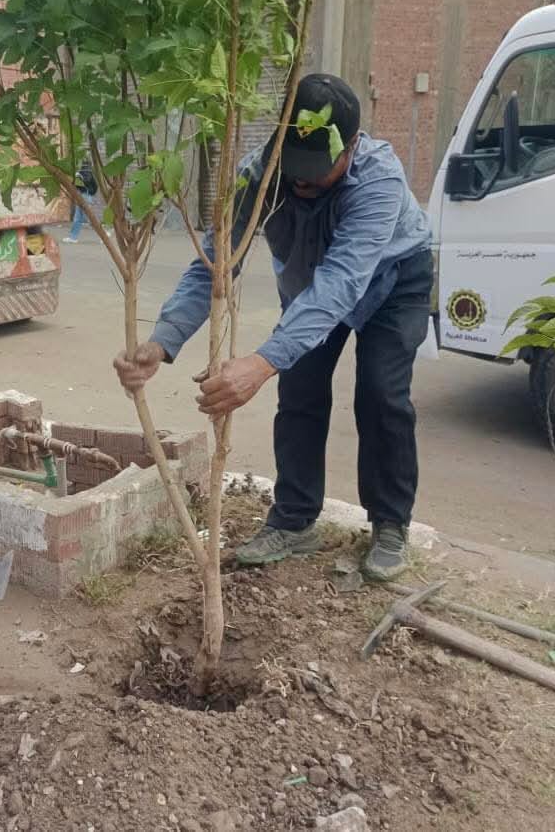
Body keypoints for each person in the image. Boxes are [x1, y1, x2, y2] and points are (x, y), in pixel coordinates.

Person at [114, 75, 433, 581]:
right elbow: (216, 265)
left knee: (381, 393)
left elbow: (341, 284)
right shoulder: (258, 175)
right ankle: (294, 520)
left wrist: (260, 364)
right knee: (300, 393)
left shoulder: (379, 182)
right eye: (293, 168)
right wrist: (162, 341)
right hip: (309, 287)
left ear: (351, 146)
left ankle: (390, 523)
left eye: (316, 171)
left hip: (392, 281)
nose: (301, 183)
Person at [63, 159, 98, 244]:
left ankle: (104, 234)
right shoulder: (90, 174)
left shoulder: (82, 173)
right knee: (80, 218)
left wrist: (78, 177)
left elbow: (80, 184)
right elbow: (95, 187)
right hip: (85, 196)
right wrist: (90, 193)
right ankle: (73, 237)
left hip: (84, 196)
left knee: (87, 218)